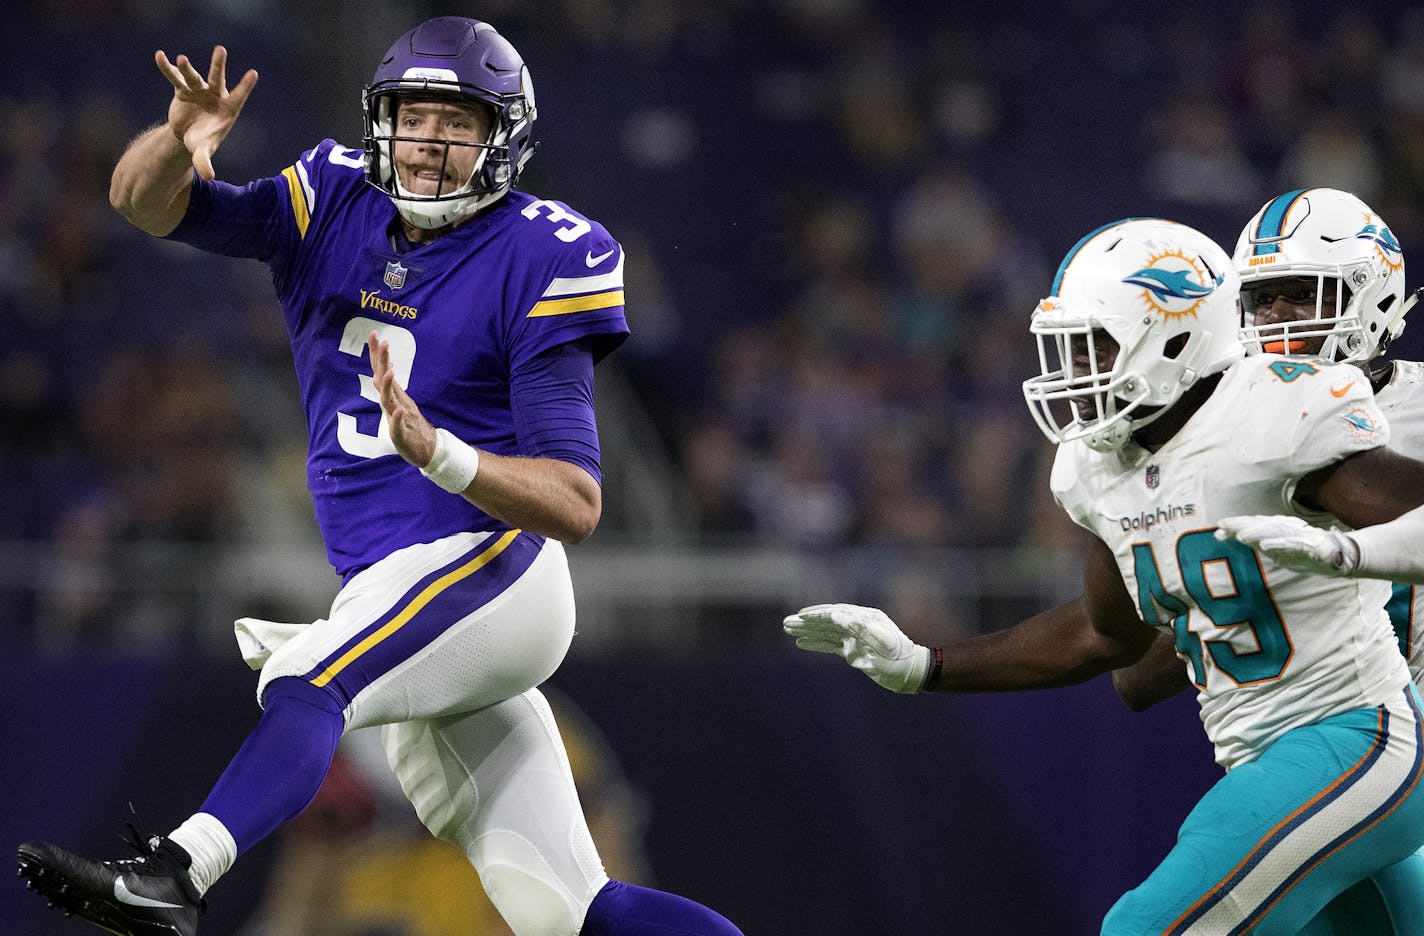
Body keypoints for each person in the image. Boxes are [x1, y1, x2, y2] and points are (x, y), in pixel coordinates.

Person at [16, 18, 742, 936]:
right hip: (404, 589)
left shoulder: (549, 252)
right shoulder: (331, 196)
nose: (431, 141)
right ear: (380, 120)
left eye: (459, 122)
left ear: (504, 139)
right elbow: (144, 205)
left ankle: (175, 875)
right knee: (566, 910)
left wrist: (441, 452)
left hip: (492, 566)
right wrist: (175, 140)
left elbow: (576, 503)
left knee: (313, 673)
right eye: (414, 115)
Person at [782, 216, 1424, 934]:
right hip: (1267, 757)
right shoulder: (1100, 467)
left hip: (1356, 736)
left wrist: (1352, 555)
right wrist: (926, 665)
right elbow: (1102, 633)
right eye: (1067, 349)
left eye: (1095, 345)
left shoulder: (1273, 411)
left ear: (1177, 336)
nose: (1074, 372)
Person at [1110, 188, 1424, 934]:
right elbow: (1139, 664)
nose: (1280, 318)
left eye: (1300, 295)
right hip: (1316, 734)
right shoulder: (1229, 422)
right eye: (1263, 299)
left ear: (1370, 294)